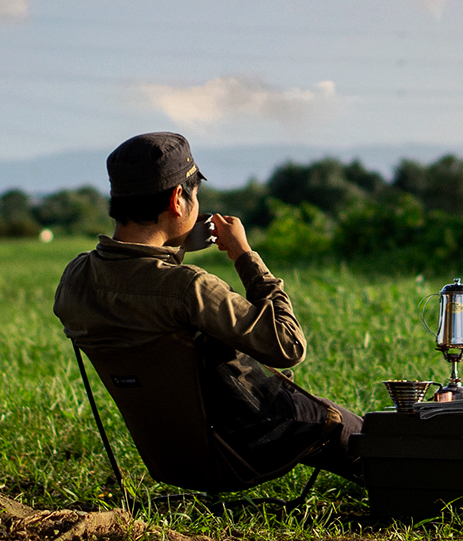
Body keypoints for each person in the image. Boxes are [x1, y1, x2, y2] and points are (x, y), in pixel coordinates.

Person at [54, 131, 363, 491]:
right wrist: (245, 256)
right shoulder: (189, 289)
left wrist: (174, 246)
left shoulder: (74, 279)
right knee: (358, 431)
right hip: (238, 449)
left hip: (171, 460)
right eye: (194, 194)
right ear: (177, 200)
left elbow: (140, 287)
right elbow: (288, 347)